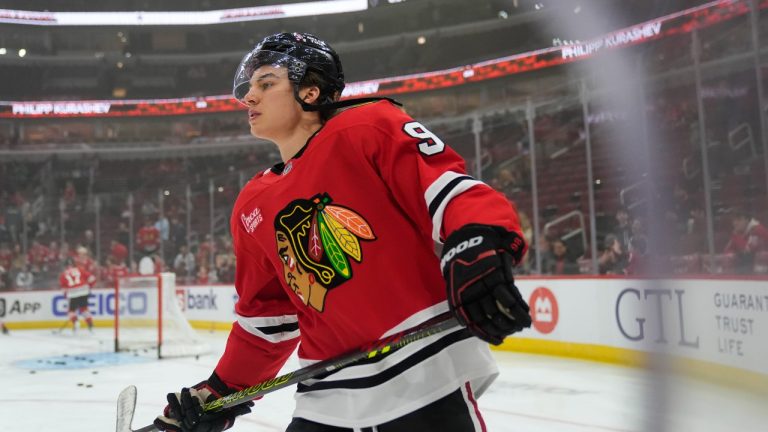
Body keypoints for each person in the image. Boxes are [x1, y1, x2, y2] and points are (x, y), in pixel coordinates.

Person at [154, 32, 531, 432]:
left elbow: (451, 191)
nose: (249, 97)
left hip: (423, 373)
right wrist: (218, 392)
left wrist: (476, 241)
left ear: (310, 91)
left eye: (266, 83)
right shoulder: (252, 203)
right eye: (250, 87)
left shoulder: (367, 125)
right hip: (325, 399)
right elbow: (267, 322)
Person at [59, 258, 96, 332]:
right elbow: (92, 278)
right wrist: (89, 286)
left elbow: (64, 289)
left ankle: (76, 322)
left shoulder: (63, 275)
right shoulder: (80, 269)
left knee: (71, 311)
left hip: (72, 293)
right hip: (84, 290)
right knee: (84, 308)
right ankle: (90, 324)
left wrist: (66, 296)